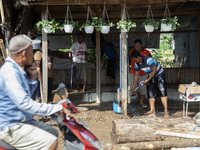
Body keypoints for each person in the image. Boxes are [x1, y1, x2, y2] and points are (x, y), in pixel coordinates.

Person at [0, 34, 69, 150]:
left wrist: (32, 79)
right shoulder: (10, 73)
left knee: (53, 132)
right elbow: (25, 104)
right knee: (50, 142)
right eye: (31, 52)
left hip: (24, 120)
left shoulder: (17, 70)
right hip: (12, 126)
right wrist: (57, 108)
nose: (33, 55)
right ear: (23, 53)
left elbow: (25, 96)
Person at [131, 50, 169, 118]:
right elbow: (136, 76)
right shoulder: (137, 64)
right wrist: (133, 88)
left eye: (135, 59)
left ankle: (166, 112)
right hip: (151, 75)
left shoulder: (148, 60)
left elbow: (154, 70)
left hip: (159, 74)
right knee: (150, 93)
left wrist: (147, 80)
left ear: (139, 57)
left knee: (162, 92)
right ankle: (152, 110)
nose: (134, 61)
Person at [129, 39, 151, 108]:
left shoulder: (147, 52)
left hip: (143, 74)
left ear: (141, 45)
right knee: (131, 87)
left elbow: (150, 63)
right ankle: (129, 102)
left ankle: (141, 102)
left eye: (137, 46)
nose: (136, 48)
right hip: (133, 72)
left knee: (143, 88)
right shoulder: (131, 52)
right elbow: (129, 62)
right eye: (135, 46)